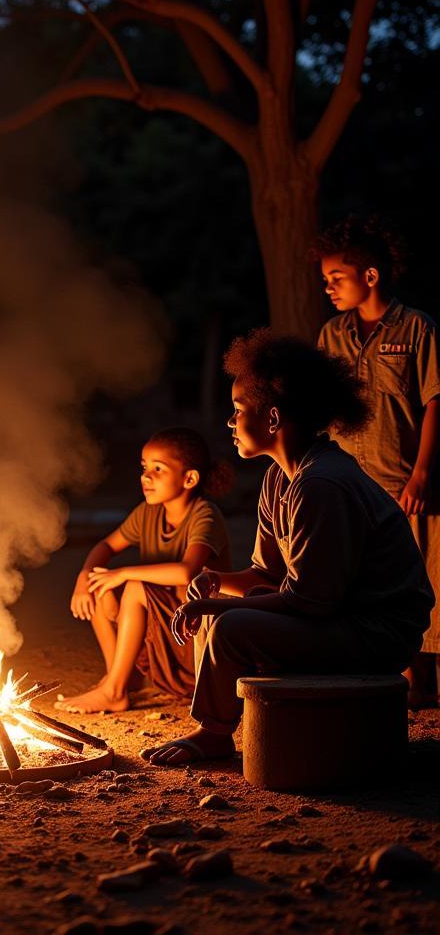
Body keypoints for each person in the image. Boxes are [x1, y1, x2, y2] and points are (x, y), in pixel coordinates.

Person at [142, 331, 434, 767]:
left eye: (238, 411)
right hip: (339, 619)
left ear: (273, 419)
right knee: (218, 611)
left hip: (377, 633)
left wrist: (216, 612)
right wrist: (217, 582)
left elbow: (311, 602)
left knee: (228, 626)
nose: (230, 422)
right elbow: (265, 575)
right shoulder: (281, 477)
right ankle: (219, 724)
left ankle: (214, 733)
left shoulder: (322, 484)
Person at [314, 215, 440, 706]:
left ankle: (421, 682)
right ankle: (379, 678)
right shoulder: (331, 335)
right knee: (362, 582)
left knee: (420, 580)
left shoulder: (417, 328)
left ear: (370, 276)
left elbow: (435, 400)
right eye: (325, 280)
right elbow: (324, 410)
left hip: (405, 484)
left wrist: (424, 472)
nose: (328, 288)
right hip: (352, 487)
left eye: (336, 278)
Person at [57, 427, 231, 714]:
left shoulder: (205, 515)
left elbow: (187, 572)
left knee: (133, 586)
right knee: (102, 586)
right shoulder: (148, 513)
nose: (146, 477)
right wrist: (83, 577)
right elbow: (106, 546)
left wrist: (124, 574)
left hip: (194, 641)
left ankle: (113, 690)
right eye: (144, 467)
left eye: (158, 469)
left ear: (189, 478)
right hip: (163, 636)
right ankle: (120, 680)